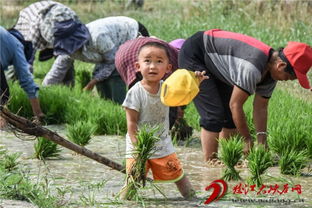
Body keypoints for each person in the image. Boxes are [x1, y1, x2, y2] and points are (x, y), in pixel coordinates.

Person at [177, 29, 312, 162]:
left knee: (229, 119)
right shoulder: (252, 67)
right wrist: (246, 139)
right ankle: (210, 163)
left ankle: (228, 159)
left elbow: (261, 108)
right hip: (197, 53)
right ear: (281, 65)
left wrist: (261, 141)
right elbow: (235, 105)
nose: (286, 80)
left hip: (218, 63)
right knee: (214, 115)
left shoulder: (271, 74)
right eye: (288, 77)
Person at [120, 42, 206, 200]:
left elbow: (184, 95)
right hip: (138, 144)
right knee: (133, 179)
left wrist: (196, 82)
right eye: (147, 61)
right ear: (137, 66)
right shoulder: (135, 92)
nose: (152, 66)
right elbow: (131, 124)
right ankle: (123, 202)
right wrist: (138, 148)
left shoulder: (168, 88)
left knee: (178, 175)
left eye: (159, 61)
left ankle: (194, 199)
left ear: (168, 68)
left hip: (162, 143)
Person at [42, 16, 149, 104]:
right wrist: (43, 92)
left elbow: (112, 61)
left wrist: (91, 83)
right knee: (99, 74)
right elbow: (56, 72)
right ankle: (108, 107)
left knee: (115, 74)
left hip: (133, 34)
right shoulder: (67, 48)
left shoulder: (97, 37)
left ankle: (122, 107)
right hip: (111, 49)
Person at [0, 26, 44, 123]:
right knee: (3, 95)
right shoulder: (17, 45)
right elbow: (26, 80)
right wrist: (38, 114)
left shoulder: (5, 37)